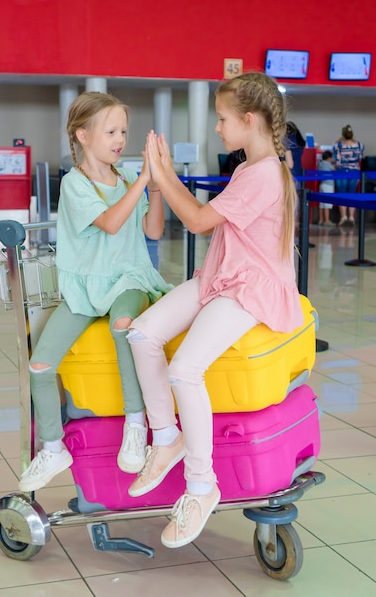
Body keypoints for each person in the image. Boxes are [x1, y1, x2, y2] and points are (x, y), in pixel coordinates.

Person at [126, 72, 304, 549]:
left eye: (223, 120)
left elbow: (200, 222)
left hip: (248, 287)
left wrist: (163, 174)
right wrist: (163, 175)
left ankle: (201, 486)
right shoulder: (250, 167)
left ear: (249, 120)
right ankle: (166, 437)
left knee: (186, 370)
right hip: (221, 275)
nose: (219, 129)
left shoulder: (266, 171)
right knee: (143, 335)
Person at [19, 91, 173, 492]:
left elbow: (152, 231)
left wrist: (154, 189)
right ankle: (53, 447)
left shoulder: (125, 180)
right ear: (83, 135)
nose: (120, 139)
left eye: (123, 130)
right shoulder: (75, 184)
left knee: (123, 325)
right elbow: (109, 222)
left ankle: (136, 423)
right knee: (39, 366)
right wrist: (143, 179)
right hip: (84, 287)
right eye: (111, 131)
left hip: (128, 279)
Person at [333, 125, 364, 225]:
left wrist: (338, 140)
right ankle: (351, 217)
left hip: (341, 171)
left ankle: (343, 217)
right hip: (354, 172)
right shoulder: (359, 144)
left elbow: (335, 159)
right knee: (352, 194)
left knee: (342, 194)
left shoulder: (338, 145)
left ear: (343, 134)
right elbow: (360, 158)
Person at [317, 150, 336, 226]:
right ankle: (327, 220)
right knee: (327, 203)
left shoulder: (320, 164)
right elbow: (334, 170)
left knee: (321, 204)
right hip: (329, 184)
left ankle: (321, 220)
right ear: (329, 158)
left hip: (322, 184)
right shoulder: (329, 164)